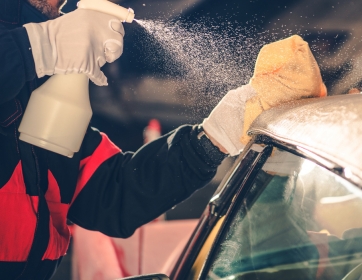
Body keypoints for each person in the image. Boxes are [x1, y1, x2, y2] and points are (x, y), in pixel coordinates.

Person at [0, 0, 326, 278]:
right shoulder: (24, 58)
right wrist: (33, 48)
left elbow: (111, 193)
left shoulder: (33, 94)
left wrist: (216, 134)